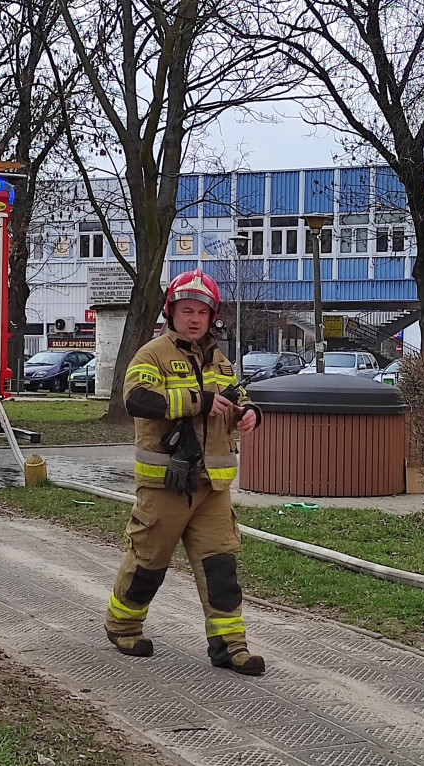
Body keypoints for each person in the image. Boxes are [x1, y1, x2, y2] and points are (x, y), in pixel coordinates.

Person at [104, 268, 266, 675]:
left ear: (213, 318)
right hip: (164, 487)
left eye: (202, 312)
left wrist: (250, 415)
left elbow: (239, 398)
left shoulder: (221, 361)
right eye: (186, 310)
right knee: (148, 564)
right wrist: (198, 400)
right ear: (170, 313)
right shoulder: (152, 355)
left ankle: (231, 647)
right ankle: (122, 626)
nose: (194, 319)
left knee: (221, 569)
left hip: (212, 488)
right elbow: (138, 399)